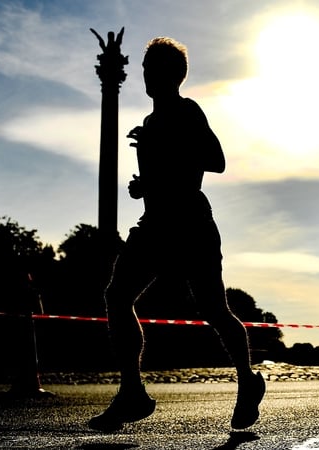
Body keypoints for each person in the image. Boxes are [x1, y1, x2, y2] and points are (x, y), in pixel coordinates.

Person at [88, 37, 265, 432]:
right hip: (154, 225)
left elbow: (215, 162)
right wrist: (143, 184)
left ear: (174, 76)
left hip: (190, 224)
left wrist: (164, 149)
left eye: (157, 71)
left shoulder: (187, 111)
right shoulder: (149, 124)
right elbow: (161, 178)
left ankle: (248, 380)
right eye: (146, 71)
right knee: (117, 296)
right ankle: (132, 390)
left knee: (214, 310)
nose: (149, 77)